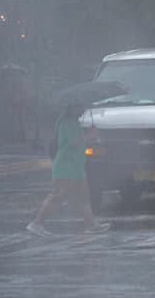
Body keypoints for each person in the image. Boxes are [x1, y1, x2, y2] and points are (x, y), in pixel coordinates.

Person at [27, 101, 111, 237]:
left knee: (84, 198)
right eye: (80, 106)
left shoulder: (74, 122)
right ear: (72, 107)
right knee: (57, 196)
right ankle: (36, 223)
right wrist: (90, 135)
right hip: (65, 169)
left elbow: (79, 140)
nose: (83, 110)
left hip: (77, 168)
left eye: (83, 107)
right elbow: (73, 142)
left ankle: (91, 225)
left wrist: (89, 134)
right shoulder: (66, 122)